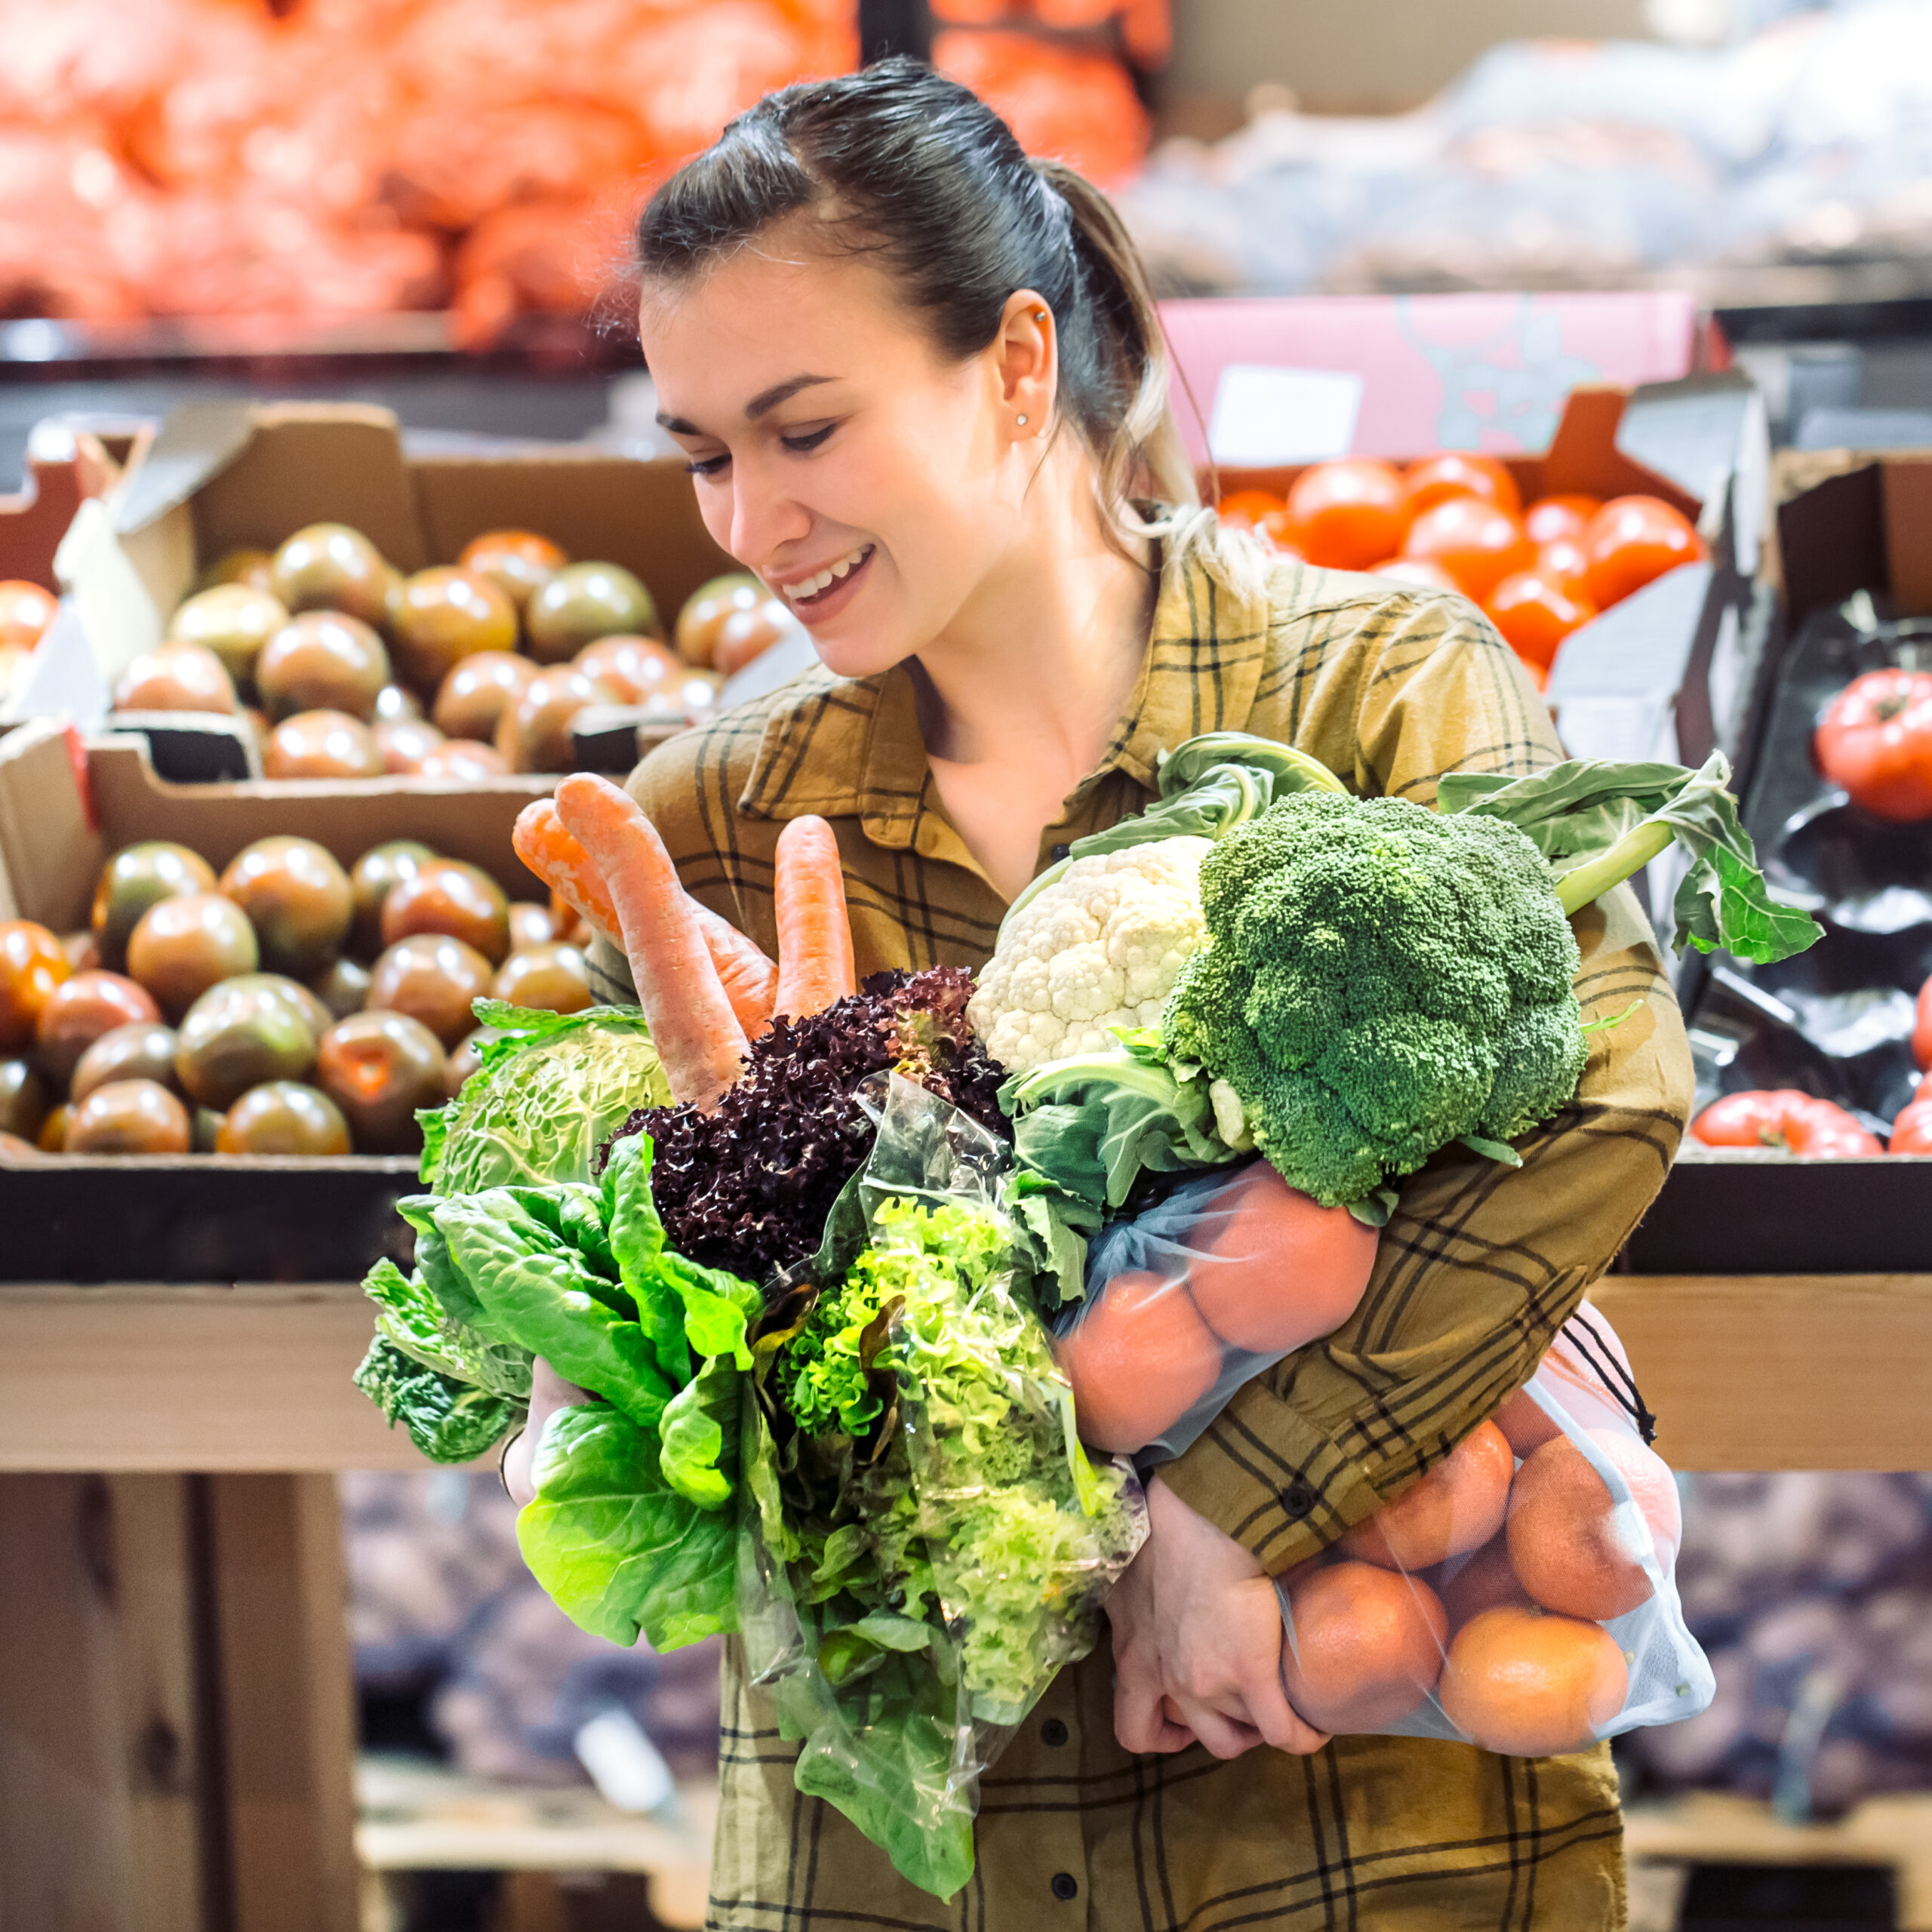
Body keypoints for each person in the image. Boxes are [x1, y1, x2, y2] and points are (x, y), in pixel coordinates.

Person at [512, 57, 1694, 1929]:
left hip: (1355, 1827)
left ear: (1012, 363)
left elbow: (1608, 1098)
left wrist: (1232, 1500)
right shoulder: (707, 819)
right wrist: (594, 1392)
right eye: (704, 454)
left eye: (803, 430)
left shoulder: (1374, 691)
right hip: (905, 1861)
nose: (748, 523)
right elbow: (602, 1329)